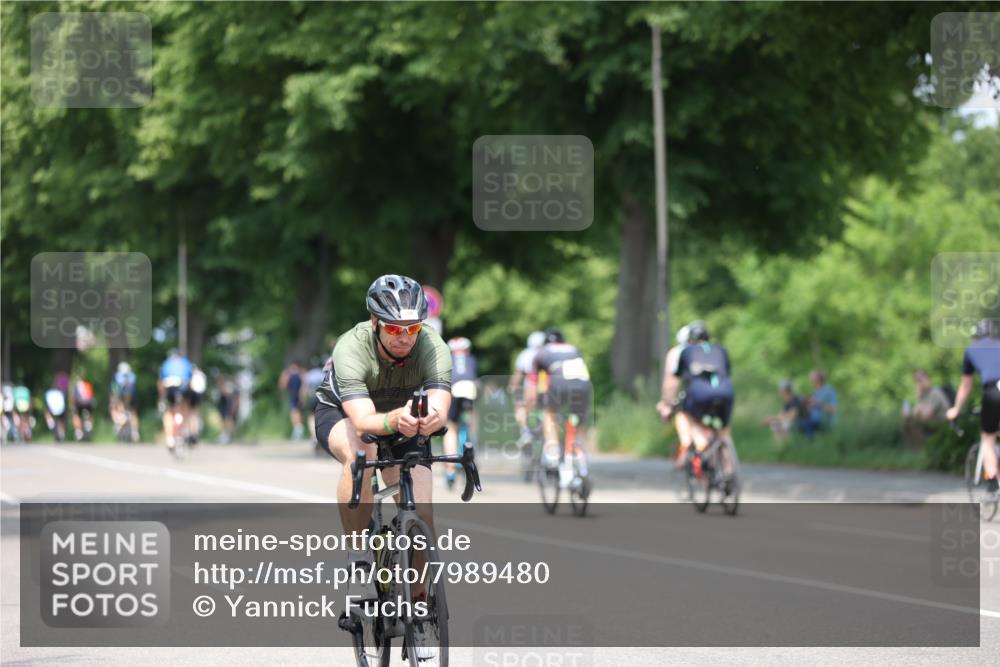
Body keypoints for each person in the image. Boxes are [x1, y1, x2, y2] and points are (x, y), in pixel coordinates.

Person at [313, 274, 450, 661]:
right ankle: (359, 553)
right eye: (393, 328)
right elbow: (363, 421)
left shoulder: (432, 346)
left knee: (422, 509)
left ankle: (419, 607)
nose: (404, 337)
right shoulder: (351, 348)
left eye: (412, 328)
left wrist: (428, 422)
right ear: (375, 323)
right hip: (344, 413)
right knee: (363, 455)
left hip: (404, 414)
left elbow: (441, 408)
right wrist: (395, 423)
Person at [533, 327, 592, 491]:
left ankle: (552, 452)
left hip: (559, 383)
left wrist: (539, 401)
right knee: (577, 420)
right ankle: (579, 454)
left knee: (549, 414)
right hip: (583, 384)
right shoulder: (574, 349)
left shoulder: (542, 352)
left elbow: (538, 382)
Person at [946, 318, 1000, 497]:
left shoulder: (971, 350)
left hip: (994, 391)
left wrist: (956, 408)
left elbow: (966, 385)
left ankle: (992, 480)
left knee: (988, 438)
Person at [668, 321, 735, 459]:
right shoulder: (721, 349)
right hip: (726, 392)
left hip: (699, 392)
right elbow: (726, 372)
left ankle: (700, 441)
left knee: (686, 414)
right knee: (724, 430)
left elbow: (676, 379)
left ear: (690, 339)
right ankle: (729, 466)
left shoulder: (686, 351)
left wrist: (670, 402)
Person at [443, 336, 478, 488]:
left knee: (451, 428)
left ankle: (450, 470)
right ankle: (472, 445)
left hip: (455, 388)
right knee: (471, 420)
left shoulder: (447, 359)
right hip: (469, 388)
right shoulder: (471, 359)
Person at [657, 324, 693, 465]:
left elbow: (671, 381)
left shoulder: (678, 352)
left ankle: (686, 443)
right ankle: (728, 463)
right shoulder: (714, 350)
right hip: (723, 394)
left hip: (693, 393)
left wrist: (667, 402)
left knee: (681, 413)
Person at [510, 331, 546, 448]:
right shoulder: (547, 352)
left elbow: (519, 373)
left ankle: (526, 432)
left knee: (520, 407)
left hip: (532, 386)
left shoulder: (526, 354)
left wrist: (513, 386)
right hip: (549, 388)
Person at [901, 369, 949, 449]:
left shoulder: (935, 393)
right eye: (916, 381)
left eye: (920, 380)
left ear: (927, 379)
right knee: (907, 419)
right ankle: (913, 448)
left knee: (913, 421)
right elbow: (916, 412)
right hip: (931, 422)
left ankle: (920, 448)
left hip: (942, 423)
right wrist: (919, 398)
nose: (919, 383)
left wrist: (917, 408)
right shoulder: (924, 395)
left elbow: (926, 414)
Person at [159, 348, 193, 451]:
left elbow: (161, 383)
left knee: (169, 412)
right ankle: (186, 430)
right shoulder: (186, 362)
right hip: (183, 386)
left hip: (170, 387)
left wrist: (161, 398)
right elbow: (190, 379)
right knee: (185, 407)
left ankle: (170, 439)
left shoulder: (166, 363)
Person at [761, 379, 807, 444]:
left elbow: (793, 415)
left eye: (779, 389)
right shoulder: (787, 402)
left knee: (778, 424)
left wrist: (773, 418)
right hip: (793, 422)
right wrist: (772, 419)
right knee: (775, 423)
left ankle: (786, 446)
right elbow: (782, 415)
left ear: (784, 390)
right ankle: (781, 446)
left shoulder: (794, 400)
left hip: (801, 421)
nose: (778, 391)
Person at [801, 369, 838, 438]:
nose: (810, 381)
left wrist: (818, 403)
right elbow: (810, 409)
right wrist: (805, 403)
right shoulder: (814, 392)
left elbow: (833, 410)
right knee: (797, 423)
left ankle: (811, 446)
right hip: (813, 419)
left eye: (812, 379)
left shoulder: (829, 390)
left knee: (806, 424)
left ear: (818, 379)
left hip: (824, 420)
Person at [110, 362, 140, 443]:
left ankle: (119, 422)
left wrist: (114, 399)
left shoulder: (117, 375)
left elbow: (114, 389)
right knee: (133, 412)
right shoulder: (132, 375)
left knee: (114, 408)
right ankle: (135, 431)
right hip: (132, 396)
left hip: (121, 395)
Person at [279, 361, 306, 440]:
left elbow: (283, 386)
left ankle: (298, 428)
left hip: (294, 394)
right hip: (301, 395)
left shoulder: (288, 374)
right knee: (299, 411)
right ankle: (299, 428)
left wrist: (284, 376)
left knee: (294, 411)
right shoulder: (302, 373)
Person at [216, 374, 240, 444]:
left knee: (228, 421)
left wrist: (235, 408)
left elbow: (232, 398)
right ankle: (227, 435)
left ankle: (229, 436)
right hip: (223, 407)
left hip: (228, 408)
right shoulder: (221, 388)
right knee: (225, 421)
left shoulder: (231, 388)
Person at [72, 377, 96, 441]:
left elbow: (74, 398)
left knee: (76, 415)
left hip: (79, 403)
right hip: (89, 403)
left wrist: (73, 406)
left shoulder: (77, 386)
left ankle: (78, 431)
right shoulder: (88, 385)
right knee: (91, 413)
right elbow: (92, 396)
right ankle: (89, 424)